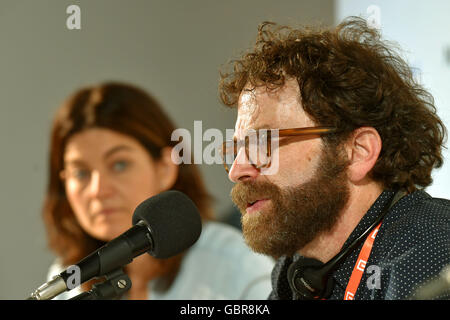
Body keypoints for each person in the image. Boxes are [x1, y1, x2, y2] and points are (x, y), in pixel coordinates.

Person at [217, 16, 450, 300]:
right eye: (238, 148)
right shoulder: (298, 272)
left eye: (263, 142)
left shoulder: (430, 250)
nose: (237, 170)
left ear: (358, 152)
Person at [42, 81, 274, 300]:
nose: (98, 190)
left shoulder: (236, 264)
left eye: (119, 164)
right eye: (81, 173)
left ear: (165, 168)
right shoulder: (66, 281)